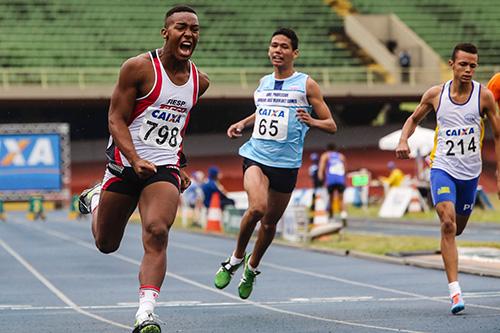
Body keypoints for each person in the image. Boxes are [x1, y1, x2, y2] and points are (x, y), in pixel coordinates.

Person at [77, 5, 209, 333]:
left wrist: (179, 163)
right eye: (182, 27)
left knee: (157, 231)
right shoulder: (138, 69)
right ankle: (96, 198)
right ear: (166, 33)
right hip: (124, 166)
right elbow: (115, 119)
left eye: (194, 29)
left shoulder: (199, 82)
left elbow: (175, 125)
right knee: (106, 243)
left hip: (162, 168)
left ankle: (145, 313)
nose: (189, 34)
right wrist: (135, 159)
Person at [213, 28, 337, 299]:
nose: (277, 51)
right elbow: (263, 112)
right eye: (273, 45)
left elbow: (331, 125)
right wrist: (243, 123)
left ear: (295, 53)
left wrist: (312, 121)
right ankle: (234, 259)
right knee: (257, 207)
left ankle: (251, 268)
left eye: (283, 46)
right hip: (256, 156)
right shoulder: (263, 82)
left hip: (286, 165)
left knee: (269, 225)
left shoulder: (307, 85)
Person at [396, 43, 500, 315]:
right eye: (463, 64)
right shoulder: (435, 95)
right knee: (447, 224)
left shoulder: (484, 96)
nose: (468, 70)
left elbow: (498, 135)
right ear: (452, 64)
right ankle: (455, 292)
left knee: (458, 227)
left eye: (473, 65)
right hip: (442, 168)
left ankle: (450, 244)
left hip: (470, 173)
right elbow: (413, 118)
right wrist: (403, 138)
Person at [318, 143, 347, 220]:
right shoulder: (341, 156)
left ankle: (330, 216)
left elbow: (321, 168)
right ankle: (343, 215)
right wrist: (344, 179)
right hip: (340, 179)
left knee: (330, 199)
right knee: (341, 199)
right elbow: (345, 169)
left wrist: (320, 179)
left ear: (327, 149)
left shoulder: (325, 155)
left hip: (331, 180)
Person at [308, 152, 322, 225]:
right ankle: (312, 219)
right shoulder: (319, 167)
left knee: (315, 204)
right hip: (319, 188)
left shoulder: (312, 168)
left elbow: (311, 177)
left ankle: (312, 219)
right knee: (317, 204)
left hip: (316, 188)